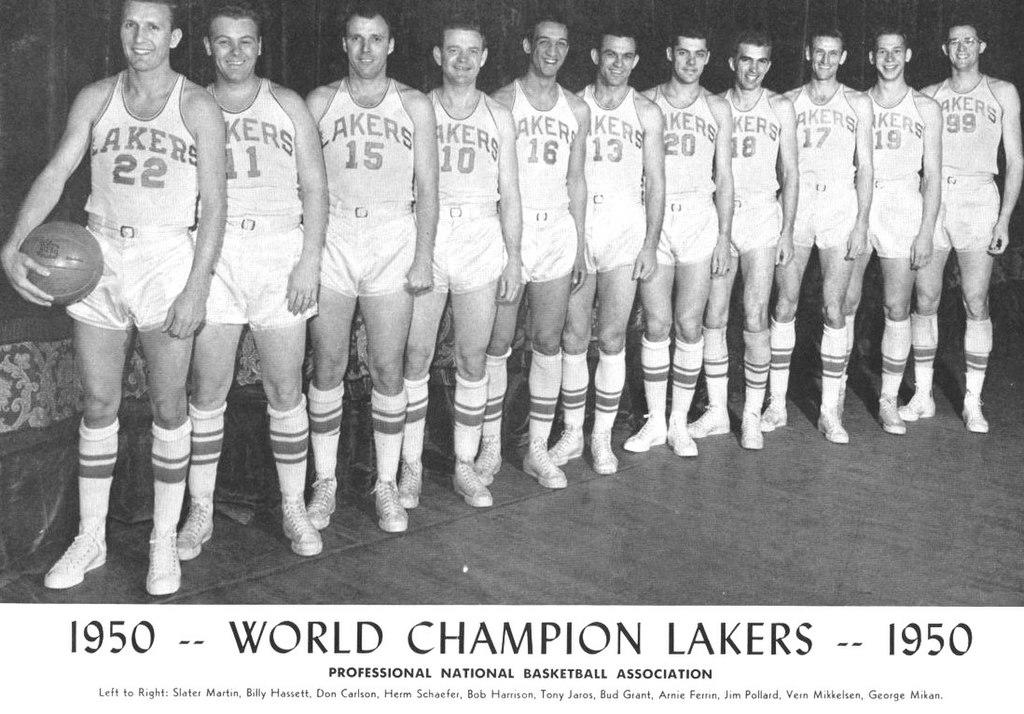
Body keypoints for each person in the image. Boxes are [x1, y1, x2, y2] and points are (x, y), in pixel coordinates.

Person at [0, 0, 226, 595]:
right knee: (99, 402)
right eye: (130, 24)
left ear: (175, 36)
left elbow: (216, 208)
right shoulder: (97, 95)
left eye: (153, 25)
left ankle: (161, 541)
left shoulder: (197, 105)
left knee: (168, 403)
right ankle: (92, 537)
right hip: (98, 256)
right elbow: (56, 171)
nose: (140, 36)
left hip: (168, 257)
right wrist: (14, 243)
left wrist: (198, 284)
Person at [176, 1, 328, 562]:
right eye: (223, 42)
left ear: (260, 46)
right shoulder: (189, 105)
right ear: (207, 48)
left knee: (285, 390)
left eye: (245, 41)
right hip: (214, 256)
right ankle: (200, 510)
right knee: (207, 392)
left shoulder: (286, 103)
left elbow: (315, 188)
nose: (235, 52)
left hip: (278, 250)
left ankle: (294, 504)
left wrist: (309, 260)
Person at [305, 2, 437, 532]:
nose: (365, 49)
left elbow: (428, 185)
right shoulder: (319, 101)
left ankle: (385, 483)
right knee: (328, 366)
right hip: (335, 233)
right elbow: (303, 180)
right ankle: (325, 483)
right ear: (344, 44)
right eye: (356, 38)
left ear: (391, 45)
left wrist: (424, 254)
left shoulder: (414, 104)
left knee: (387, 367)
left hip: (391, 235)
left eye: (375, 38)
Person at [398, 19, 522, 510]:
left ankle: (465, 466)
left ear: (485, 57)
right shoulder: (417, 108)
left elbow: (510, 194)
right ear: (437, 55)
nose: (463, 60)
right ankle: (408, 468)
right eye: (454, 51)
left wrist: (514, 258)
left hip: (480, 235)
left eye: (472, 52)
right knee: (416, 356)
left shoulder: (499, 116)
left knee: (473, 359)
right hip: (427, 234)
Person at [550, 25, 664, 474]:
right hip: (580, 224)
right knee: (575, 337)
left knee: (613, 336)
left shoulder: (647, 111)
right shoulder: (574, 105)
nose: (618, 63)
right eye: (610, 54)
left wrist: (651, 244)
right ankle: (573, 434)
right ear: (596, 56)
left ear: (636, 61)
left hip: (624, 225)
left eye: (627, 56)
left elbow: (656, 183)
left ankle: (602, 438)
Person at [487, 15, 589, 489]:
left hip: (557, 234)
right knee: (498, 343)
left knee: (548, 342)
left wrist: (581, 243)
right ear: (528, 45)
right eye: (544, 42)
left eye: (561, 44)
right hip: (512, 233)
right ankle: (488, 447)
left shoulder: (575, 108)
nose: (552, 52)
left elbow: (575, 179)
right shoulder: (502, 102)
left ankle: (537, 449)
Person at [907, 20, 1022, 433]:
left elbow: (1017, 159)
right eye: (954, 42)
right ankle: (922, 394)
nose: (961, 48)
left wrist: (1005, 218)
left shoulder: (1002, 91)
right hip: (935, 198)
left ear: (982, 46)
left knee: (976, 300)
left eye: (968, 41)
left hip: (978, 197)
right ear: (944, 49)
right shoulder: (930, 96)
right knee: (925, 296)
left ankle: (973, 400)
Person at [628, 24, 734, 458]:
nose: (691, 61)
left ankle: (679, 423)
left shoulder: (716, 107)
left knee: (691, 325)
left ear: (708, 58)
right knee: (656, 324)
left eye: (699, 54)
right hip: (654, 218)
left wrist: (725, 237)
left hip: (698, 219)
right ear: (671, 54)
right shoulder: (646, 101)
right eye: (683, 53)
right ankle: (654, 421)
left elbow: (725, 178)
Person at [690, 29, 797, 450]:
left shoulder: (780, 107)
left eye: (762, 61)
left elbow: (790, 172)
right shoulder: (715, 105)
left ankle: (752, 413)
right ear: (732, 62)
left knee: (755, 314)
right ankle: (718, 411)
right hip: (719, 216)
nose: (753, 69)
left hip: (761, 216)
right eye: (745, 60)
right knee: (713, 317)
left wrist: (787, 230)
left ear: (769, 65)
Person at [765, 28, 874, 443]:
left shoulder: (858, 102)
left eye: (834, 54)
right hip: (796, 204)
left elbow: (866, 167)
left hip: (840, 206)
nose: (826, 61)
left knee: (834, 307)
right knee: (786, 302)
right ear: (808, 53)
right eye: (819, 53)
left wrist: (862, 221)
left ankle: (831, 410)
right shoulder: (787, 102)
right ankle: (776, 402)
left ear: (844, 57)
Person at [842, 26, 941, 435]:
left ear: (908, 54)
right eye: (881, 51)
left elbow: (932, 175)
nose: (888, 58)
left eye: (896, 51)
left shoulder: (926, 107)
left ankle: (887, 399)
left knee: (897, 307)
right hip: (860, 202)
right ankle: (834, 395)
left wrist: (925, 231)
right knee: (845, 301)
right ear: (870, 58)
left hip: (904, 205)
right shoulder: (855, 103)